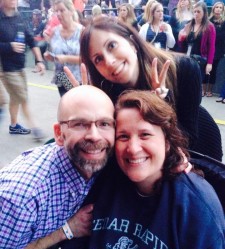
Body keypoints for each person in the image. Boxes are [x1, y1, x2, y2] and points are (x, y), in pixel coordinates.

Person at [77, 90, 225, 249]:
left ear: (166, 140)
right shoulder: (105, 179)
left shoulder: (197, 206)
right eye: (123, 136)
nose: (133, 148)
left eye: (145, 134)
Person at [0, 85, 115, 249]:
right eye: (80, 124)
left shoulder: (100, 160)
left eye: (104, 123)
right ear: (58, 134)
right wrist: (66, 230)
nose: (94, 136)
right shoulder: (23, 196)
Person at [67, 16, 222, 160]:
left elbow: (188, 138)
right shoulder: (108, 94)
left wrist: (161, 106)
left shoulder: (184, 69)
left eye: (112, 46)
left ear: (133, 43)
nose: (109, 61)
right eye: (98, 59)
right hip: (153, 159)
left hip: (199, 148)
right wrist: (88, 111)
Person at [0, 0, 46, 139]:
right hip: (6, 68)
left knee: (15, 98)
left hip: (20, 67)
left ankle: (14, 126)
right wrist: (10, 46)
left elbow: (31, 40)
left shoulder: (19, 17)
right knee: (22, 97)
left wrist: (39, 60)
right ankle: (35, 128)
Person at [44, 0, 83, 97]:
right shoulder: (55, 31)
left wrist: (66, 58)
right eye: (56, 11)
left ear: (71, 11)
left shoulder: (81, 32)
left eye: (62, 10)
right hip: (62, 76)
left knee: (78, 106)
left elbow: (87, 59)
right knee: (68, 106)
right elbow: (53, 53)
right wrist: (50, 56)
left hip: (78, 77)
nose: (58, 14)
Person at [178, 1, 216, 85]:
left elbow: (211, 47)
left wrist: (209, 63)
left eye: (198, 11)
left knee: (195, 85)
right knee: (184, 84)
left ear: (204, 13)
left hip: (200, 61)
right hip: (187, 59)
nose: (196, 14)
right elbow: (182, 45)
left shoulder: (209, 26)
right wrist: (180, 39)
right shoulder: (189, 24)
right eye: (194, 11)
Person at [202, 2, 225, 97]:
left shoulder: (224, 22)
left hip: (219, 49)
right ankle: (203, 89)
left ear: (223, 10)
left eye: (220, 7)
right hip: (207, 49)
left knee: (213, 70)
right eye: (217, 7)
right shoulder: (208, 21)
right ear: (213, 9)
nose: (218, 9)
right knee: (204, 69)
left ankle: (210, 90)